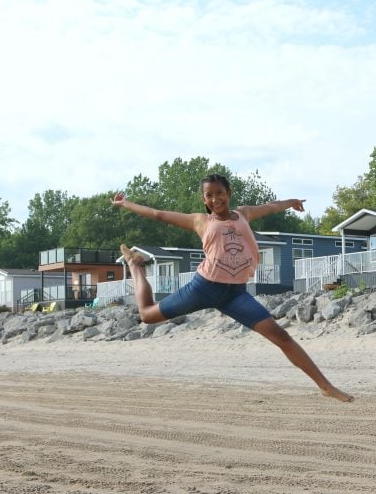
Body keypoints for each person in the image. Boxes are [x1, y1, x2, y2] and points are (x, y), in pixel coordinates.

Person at [111, 173, 353, 403]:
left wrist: (292, 202)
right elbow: (158, 214)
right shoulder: (200, 221)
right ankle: (134, 264)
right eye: (209, 195)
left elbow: (271, 206)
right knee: (146, 315)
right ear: (203, 199)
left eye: (219, 193)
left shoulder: (244, 215)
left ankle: (325, 386)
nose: (215, 199)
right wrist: (126, 204)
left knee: (281, 336)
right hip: (203, 287)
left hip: (235, 294)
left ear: (229, 193)